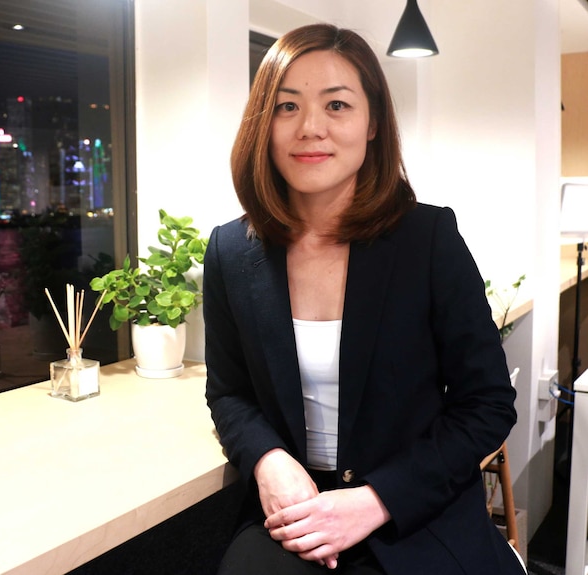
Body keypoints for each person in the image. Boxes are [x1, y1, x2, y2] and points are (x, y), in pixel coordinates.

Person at [203, 24, 523, 575]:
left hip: (415, 510)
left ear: (372, 123)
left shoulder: (428, 239)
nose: (310, 128)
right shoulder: (231, 250)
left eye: (337, 105)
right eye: (286, 107)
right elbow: (229, 393)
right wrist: (268, 459)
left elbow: (487, 404)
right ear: (263, 124)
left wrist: (375, 500)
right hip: (296, 514)